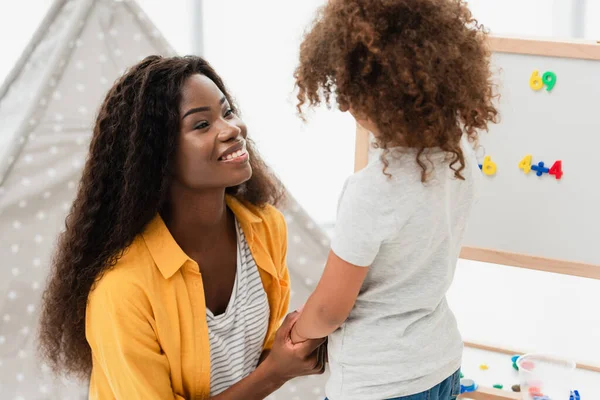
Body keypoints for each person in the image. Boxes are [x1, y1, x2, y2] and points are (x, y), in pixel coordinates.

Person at [38, 55, 325, 400]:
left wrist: (302, 344)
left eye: (227, 111)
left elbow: (261, 356)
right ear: (157, 155)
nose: (232, 129)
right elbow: (267, 371)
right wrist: (276, 373)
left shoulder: (265, 229)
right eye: (202, 125)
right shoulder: (122, 289)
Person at [290, 1, 498, 399]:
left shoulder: (371, 192)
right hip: (440, 364)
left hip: (379, 382)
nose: (345, 105)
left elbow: (330, 310)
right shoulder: (461, 158)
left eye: (351, 92)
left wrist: (297, 331)